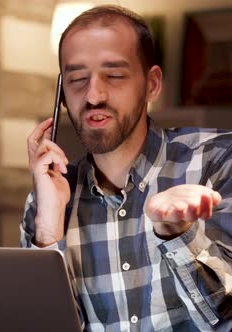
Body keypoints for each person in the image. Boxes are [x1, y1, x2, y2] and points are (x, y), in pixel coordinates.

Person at [20, 5, 232, 331]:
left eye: (115, 75)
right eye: (77, 79)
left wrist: (179, 234)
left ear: (152, 85)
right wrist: (48, 228)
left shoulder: (218, 160)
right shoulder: (48, 198)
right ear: (62, 95)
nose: (93, 95)